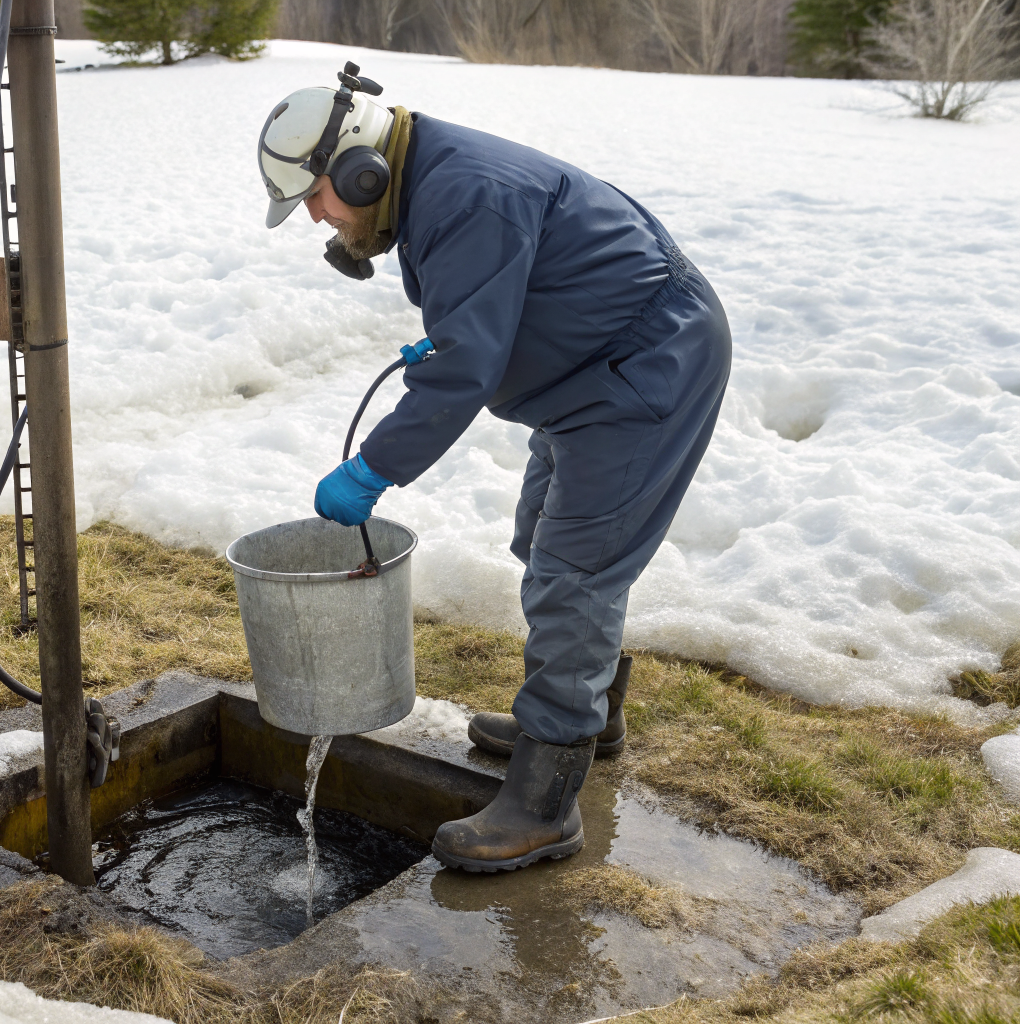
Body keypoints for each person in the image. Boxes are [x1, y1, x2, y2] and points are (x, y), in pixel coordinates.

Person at [258, 63, 731, 873]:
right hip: (590, 372)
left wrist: (373, 469)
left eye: (316, 199)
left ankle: (546, 803)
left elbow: (466, 369)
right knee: (540, 542)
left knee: (573, 575)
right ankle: (590, 711)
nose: (317, 219)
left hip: (645, 370)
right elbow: (478, 327)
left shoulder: (464, 193)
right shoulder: (431, 179)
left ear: (357, 171)